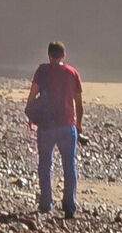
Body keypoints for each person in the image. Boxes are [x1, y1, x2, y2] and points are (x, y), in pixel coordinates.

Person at [25, 41, 85, 217]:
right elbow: (79, 104)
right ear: (64, 55)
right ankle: (69, 207)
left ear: (49, 54)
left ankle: (46, 204)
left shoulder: (42, 71)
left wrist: (31, 117)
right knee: (69, 166)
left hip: (46, 126)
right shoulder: (72, 73)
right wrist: (79, 125)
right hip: (68, 126)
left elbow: (32, 95)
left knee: (45, 164)